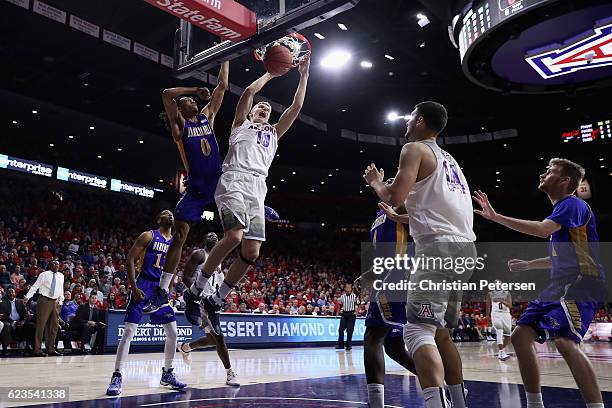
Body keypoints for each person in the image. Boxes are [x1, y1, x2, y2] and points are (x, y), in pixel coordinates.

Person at [364, 101, 474, 408]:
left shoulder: (414, 149)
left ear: (421, 121)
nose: (406, 122)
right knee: (441, 335)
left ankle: (436, 404)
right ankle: (458, 401)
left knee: (416, 332)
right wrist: (400, 217)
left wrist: (375, 182)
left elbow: (395, 196)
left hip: (438, 248)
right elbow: (433, 210)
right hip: (466, 249)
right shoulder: (450, 161)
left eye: (410, 117)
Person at [472, 158, 605, 408]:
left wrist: (495, 216)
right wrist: (530, 264)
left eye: (551, 171)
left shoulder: (572, 204)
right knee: (521, 336)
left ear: (565, 181)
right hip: (560, 283)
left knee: (566, 341)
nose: (543, 174)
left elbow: (543, 230)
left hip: (581, 283)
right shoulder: (562, 215)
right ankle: (535, 404)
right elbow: (560, 257)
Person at [196, 56, 311, 333]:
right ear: (250, 112)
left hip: (258, 188)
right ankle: (196, 287)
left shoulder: (273, 132)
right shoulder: (240, 126)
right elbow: (248, 92)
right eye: (260, 106)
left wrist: (304, 75)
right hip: (234, 179)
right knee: (234, 236)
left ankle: (217, 299)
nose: (264, 108)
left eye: (268, 108)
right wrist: (271, 74)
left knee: (251, 252)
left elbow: (296, 107)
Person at [143, 62, 229, 314]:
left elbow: (222, 86)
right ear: (180, 108)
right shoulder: (180, 127)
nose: (194, 101)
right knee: (179, 236)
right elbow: (166, 94)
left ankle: (260, 206)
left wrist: (227, 55)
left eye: (194, 100)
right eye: (189, 100)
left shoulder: (207, 118)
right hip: (196, 186)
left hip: (217, 180)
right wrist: (193, 88)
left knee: (240, 193)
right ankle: (162, 290)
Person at [106, 210, 186, 396]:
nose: (170, 215)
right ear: (159, 219)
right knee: (128, 331)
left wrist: (168, 289)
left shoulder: (174, 241)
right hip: (143, 285)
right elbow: (130, 259)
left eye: (171, 213)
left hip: (161, 290)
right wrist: (133, 287)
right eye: (165, 213)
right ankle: (117, 376)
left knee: (173, 333)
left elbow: (173, 268)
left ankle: (167, 374)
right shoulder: (148, 235)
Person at [176, 234, 240, 387]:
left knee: (212, 339)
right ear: (204, 241)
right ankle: (230, 373)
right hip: (200, 302)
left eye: (215, 235)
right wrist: (199, 295)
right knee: (219, 338)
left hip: (213, 303)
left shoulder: (218, 259)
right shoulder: (199, 254)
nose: (212, 235)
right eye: (209, 235)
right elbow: (186, 277)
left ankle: (185, 347)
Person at [24, 260, 64, 357]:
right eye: (54, 264)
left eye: (58, 265)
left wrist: (61, 301)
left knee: (54, 326)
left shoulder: (61, 275)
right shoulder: (44, 274)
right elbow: (35, 286)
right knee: (41, 325)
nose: (56, 266)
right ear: (50, 265)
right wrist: (28, 297)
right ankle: (37, 350)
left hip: (56, 302)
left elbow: (61, 289)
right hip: (44, 300)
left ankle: (51, 348)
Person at [487, 281, 513, 360]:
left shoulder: (507, 293)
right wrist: (488, 318)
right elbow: (487, 307)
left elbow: (510, 305)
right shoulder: (490, 294)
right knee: (499, 331)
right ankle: (501, 352)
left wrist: (502, 301)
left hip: (506, 314)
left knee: (507, 336)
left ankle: (501, 351)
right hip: (496, 314)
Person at [0, 288, 29, 356]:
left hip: (20, 322)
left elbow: (25, 315)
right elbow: (3, 316)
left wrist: (23, 322)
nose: (11, 294)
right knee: (6, 325)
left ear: (15, 293)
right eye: (9, 293)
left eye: (12, 292)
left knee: (29, 325)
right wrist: (13, 322)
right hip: (10, 322)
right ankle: (5, 349)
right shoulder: (2, 304)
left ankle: (28, 348)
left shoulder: (21, 301)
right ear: (6, 294)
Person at [336, 283, 358, 351]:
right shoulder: (342, 296)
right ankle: (340, 345)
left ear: (351, 289)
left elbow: (358, 304)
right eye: (346, 288)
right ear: (345, 289)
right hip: (344, 314)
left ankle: (348, 345)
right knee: (340, 329)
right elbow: (340, 305)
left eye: (349, 288)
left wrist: (356, 311)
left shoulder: (355, 296)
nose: (348, 289)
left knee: (349, 330)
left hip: (352, 314)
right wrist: (338, 312)